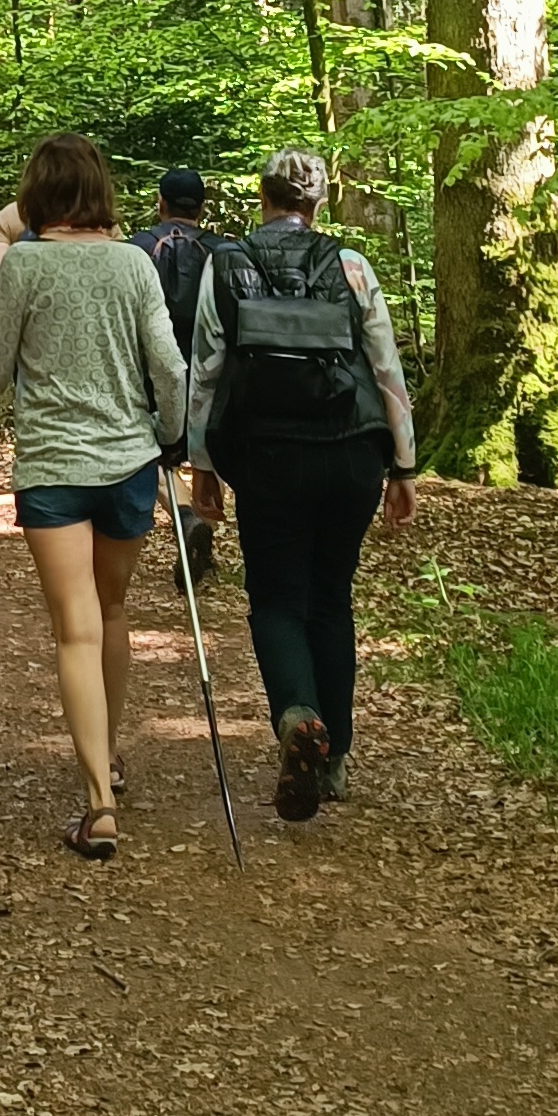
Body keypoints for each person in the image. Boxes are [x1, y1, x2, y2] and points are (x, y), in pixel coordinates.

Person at [0, 131, 186, 861]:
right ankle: (109, 756)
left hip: (55, 470)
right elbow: (170, 368)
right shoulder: (135, 265)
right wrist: (169, 433)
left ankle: (97, 800)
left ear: (38, 194)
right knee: (113, 609)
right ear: (99, 193)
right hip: (128, 465)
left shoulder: (25, 264)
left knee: (75, 628)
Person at [187, 147, 417, 821]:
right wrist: (402, 465)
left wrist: (203, 470)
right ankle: (335, 755)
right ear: (319, 204)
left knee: (277, 599)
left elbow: (206, 370)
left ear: (262, 199)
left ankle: (296, 713)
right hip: (351, 453)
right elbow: (384, 368)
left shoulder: (226, 264)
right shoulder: (351, 265)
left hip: (268, 458)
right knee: (331, 600)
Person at [130, 168, 218, 589]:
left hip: (151, 373)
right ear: (202, 207)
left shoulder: (136, 250)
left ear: (160, 203)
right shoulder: (225, 253)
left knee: (156, 455)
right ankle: (202, 525)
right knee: (207, 455)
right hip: (211, 376)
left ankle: (186, 517)